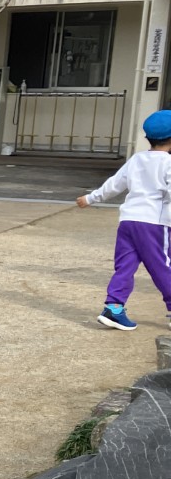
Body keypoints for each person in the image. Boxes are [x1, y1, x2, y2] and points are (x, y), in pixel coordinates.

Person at [75, 110, 171, 331]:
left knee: (125, 266)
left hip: (128, 221)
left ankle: (114, 308)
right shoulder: (168, 163)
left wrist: (91, 198)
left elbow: (114, 184)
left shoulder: (137, 159)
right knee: (162, 266)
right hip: (154, 224)